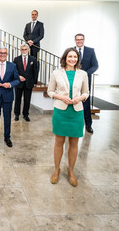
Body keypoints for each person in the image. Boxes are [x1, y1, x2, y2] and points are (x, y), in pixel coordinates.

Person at [47, 48, 89, 187]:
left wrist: (80, 98)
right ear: (65, 58)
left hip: (76, 112)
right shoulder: (56, 73)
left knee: (74, 143)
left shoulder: (83, 74)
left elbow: (86, 92)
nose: (72, 59)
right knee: (59, 142)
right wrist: (61, 97)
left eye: (75, 57)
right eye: (70, 56)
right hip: (61, 111)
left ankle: (71, 171)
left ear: (78, 59)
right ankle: (56, 170)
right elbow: (50, 91)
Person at [74, 33, 98, 133]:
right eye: (77, 39)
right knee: (73, 102)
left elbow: (95, 65)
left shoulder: (90, 51)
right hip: (73, 80)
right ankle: (74, 125)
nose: (79, 41)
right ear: (75, 40)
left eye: (81, 39)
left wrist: (85, 74)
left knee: (86, 102)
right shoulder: (71, 50)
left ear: (84, 40)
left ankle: (88, 125)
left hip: (85, 81)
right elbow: (65, 63)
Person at [13, 44, 38, 122]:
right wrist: (18, 77)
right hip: (18, 83)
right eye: (22, 49)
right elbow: (14, 71)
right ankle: (16, 114)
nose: (24, 51)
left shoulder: (33, 59)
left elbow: (35, 71)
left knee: (27, 100)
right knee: (17, 99)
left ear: (28, 50)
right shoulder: (16, 59)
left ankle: (25, 115)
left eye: (25, 49)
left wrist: (34, 82)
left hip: (29, 83)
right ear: (20, 50)